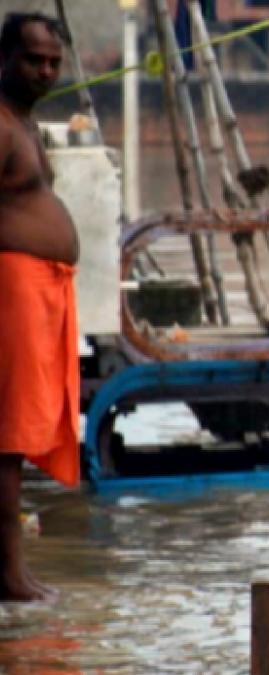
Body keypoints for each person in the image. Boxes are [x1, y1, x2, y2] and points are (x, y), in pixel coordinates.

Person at [0, 12, 79, 602]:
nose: (46, 71)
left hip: (41, 289)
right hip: (13, 286)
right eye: (34, 60)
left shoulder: (23, 122)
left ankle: (13, 570)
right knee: (7, 437)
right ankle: (9, 575)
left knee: (21, 433)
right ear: (4, 59)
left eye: (54, 61)